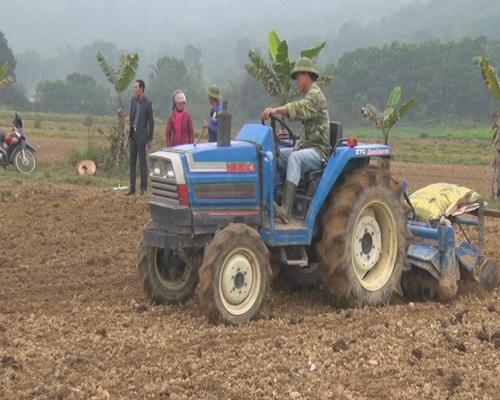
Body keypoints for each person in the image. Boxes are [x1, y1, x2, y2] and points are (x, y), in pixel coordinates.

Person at [262, 57, 331, 222]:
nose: (296, 82)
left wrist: (276, 110)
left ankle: (285, 210)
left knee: (294, 158)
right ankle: (270, 200)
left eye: (298, 77)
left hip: (318, 151)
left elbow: (298, 108)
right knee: (276, 155)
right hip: (306, 146)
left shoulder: (316, 95)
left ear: (308, 76)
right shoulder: (309, 95)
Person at [127, 79, 154, 196]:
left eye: (136, 87)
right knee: (132, 162)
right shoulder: (133, 101)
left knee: (142, 163)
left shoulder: (147, 103)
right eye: (134, 87)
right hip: (133, 134)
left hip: (142, 136)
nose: (135, 89)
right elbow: (131, 117)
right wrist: (130, 134)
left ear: (142, 88)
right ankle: (132, 188)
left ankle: (143, 188)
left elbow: (151, 122)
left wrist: (149, 138)